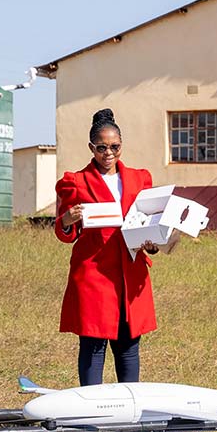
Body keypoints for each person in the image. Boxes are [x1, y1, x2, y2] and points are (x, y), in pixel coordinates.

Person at [54, 108, 160, 386]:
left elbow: (149, 221)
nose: (109, 153)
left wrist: (152, 243)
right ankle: (91, 411)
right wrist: (67, 219)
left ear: (121, 145)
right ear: (91, 147)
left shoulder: (140, 179)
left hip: (130, 273)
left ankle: (129, 409)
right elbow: (66, 232)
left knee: (128, 346)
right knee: (93, 345)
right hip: (94, 275)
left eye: (115, 147)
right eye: (102, 147)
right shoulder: (75, 182)